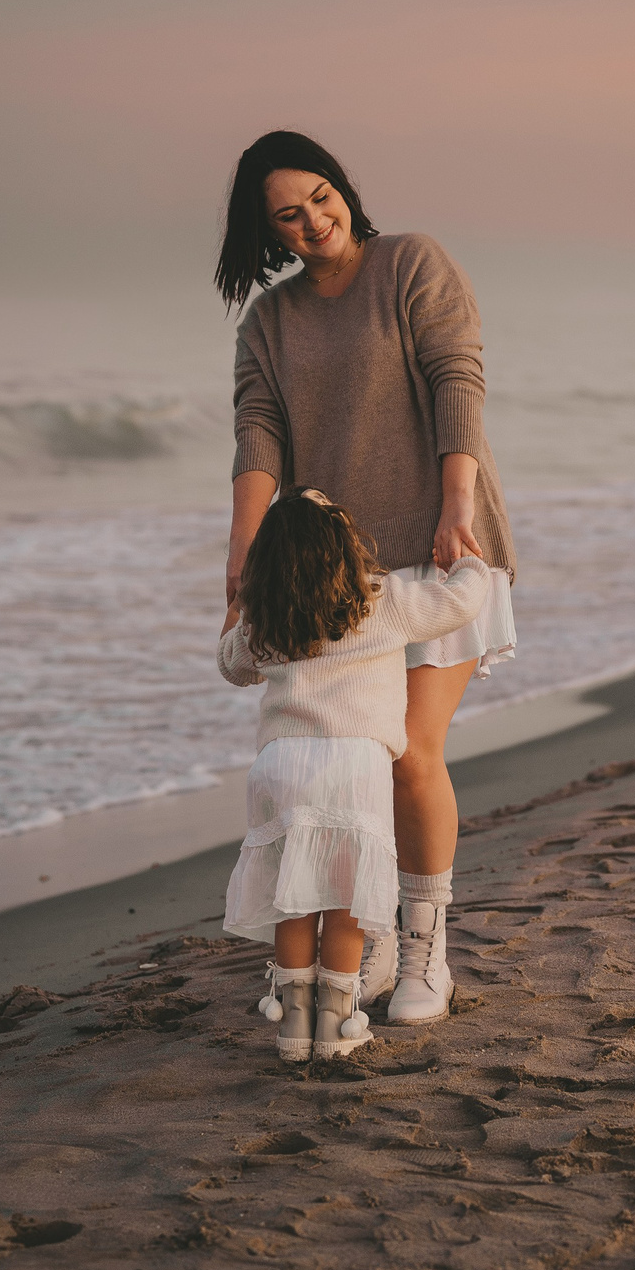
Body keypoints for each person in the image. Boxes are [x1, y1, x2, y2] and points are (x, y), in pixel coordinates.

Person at [217, 129, 519, 1023]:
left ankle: (424, 947)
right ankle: (374, 931)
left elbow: (457, 379)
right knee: (356, 761)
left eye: (320, 197)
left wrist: (456, 506)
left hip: (441, 546)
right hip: (337, 576)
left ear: (341, 188)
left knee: (408, 754)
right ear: (269, 231)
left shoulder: (411, 265)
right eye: (289, 215)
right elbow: (258, 438)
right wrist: (242, 564)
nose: (314, 221)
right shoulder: (269, 322)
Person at [220, 490, 494, 1061]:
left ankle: (294, 1023)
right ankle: (337, 1023)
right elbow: (463, 603)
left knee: (295, 896)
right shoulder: (381, 599)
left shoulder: (267, 618)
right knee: (346, 895)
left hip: (281, 766)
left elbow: (232, 666)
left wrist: (239, 605)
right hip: (354, 763)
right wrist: (468, 559)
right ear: (343, 545)